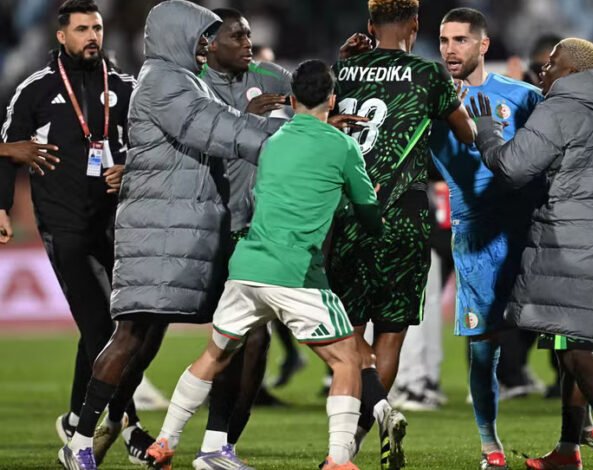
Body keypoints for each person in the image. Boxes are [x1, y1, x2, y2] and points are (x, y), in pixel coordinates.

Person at [57, 2, 285, 468]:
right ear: (177, 35)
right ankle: (80, 441)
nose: (205, 44)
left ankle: (215, 446)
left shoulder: (184, 80)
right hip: (157, 231)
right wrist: (294, 137)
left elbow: (221, 125)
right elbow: (219, 130)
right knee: (132, 337)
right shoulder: (164, 81)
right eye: (200, 36)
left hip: (185, 231)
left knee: (234, 335)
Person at [146, 58, 383, 470]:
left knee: (214, 356)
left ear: (291, 101)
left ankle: (164, 442)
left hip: (249, 269)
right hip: (296, 274)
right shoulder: (342, 145)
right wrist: (365, 197)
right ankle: (339, 459)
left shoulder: (273, 142)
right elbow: (371, 220)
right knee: (347, 360)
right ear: (332, 99)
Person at [469, 37, 593, 470]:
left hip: (574, 239)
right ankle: (567, 450)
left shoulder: (559, 107)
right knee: (572, 339)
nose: (543, 71)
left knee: (572, 344)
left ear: (573, 72)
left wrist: (486, 133)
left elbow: (513, 167)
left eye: (551, 64)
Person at [0, 0, 158, 465]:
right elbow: (7, 151)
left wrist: (130, 169)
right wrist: (2, 207)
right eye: (83, 29)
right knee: (103, 328)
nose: (93, 36)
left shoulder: (127, 86)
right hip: (63, 224)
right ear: (61, 36)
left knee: (106, 332)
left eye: (98, 28)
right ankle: (129, 427)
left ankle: (74, 418)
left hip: (116, 223)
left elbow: (153, 149)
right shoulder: (35, 89)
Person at [329, 1, 476, 467]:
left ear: (370, 27)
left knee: (348, 334)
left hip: (350, 213)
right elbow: (468, 133)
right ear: (416, 24)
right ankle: (358, 435)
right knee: (391, 336)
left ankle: (351, 434)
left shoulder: (344, 70)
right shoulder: (430, 76)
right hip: (406, 219)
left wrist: (344, 58)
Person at [432, 8, 548, 469]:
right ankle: (490, 447)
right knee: (484, 349)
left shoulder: (523, 96)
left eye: (460, 40)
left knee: (564, 337)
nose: (449, 49)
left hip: (528, 228)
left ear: (483, 45)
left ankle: (570, 439)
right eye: (443, 41)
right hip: (475, 233)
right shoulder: (430, 102)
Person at [182, 7, 292, 467]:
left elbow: (314, 91)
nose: (249, 42)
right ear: (210, 44)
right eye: (238, 36)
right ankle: (112, 422)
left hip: (252, 226)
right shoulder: (187, 85)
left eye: (249, 34)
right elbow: (193, 146)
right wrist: (242, 118)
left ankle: (222, 443)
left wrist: (339, 70)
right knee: (149, 336)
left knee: (251, 339)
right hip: (204, 224)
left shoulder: (267, 75)